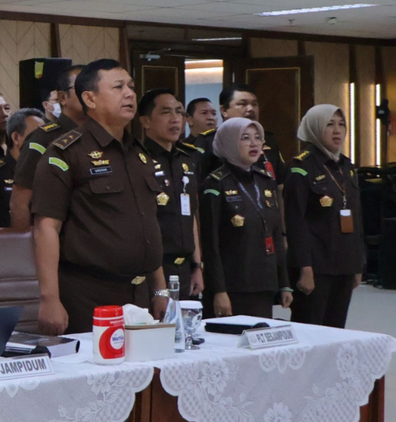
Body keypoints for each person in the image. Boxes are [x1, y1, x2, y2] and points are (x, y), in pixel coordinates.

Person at [31, 60, 165, 334]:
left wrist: (159, 289)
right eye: (118, 87)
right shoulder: (67, 152)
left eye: (131, 87)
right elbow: (46, 228)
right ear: (90, 99)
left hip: (140, 295)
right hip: (89, 294)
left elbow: (148, 224)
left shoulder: (139, 153)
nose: (129, 94)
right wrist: (50, 298)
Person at [201, 118, 291, 319]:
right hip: (233, 284)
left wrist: (284, 283)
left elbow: (276, 234)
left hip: (264, 282)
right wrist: (219, 290)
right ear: (229, 142)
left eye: (258, 138)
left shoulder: (265, 181)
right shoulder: (215, 184)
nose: (254, 144)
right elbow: (210, 244)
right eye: (245, 138)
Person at [286, 104, 361, 328]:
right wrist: (304, 267)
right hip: (316, 265)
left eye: (341, 124)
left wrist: (358, 264)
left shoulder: (347, 167)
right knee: (310, 329)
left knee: (336, 330)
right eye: (329, 124)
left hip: (344, 263)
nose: (337, 131)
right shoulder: (301, 167)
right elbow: (296, 222)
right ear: (315, 128)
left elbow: (357, 218)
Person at [138, 90, 205, 298]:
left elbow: (191, 215)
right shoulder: (138, 160)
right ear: (146, 121)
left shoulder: (187, 160)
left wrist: (197, 265)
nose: (175, 119)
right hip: (152, 268)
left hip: (185, 268)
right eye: (166, 112)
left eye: (179, 112)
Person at [9, 64, 82, 233]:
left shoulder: (99, 136)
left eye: (95, 88)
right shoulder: (43, 138)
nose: (89, 93)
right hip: (56, 240)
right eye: (82, 87)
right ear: (63, 97)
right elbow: (19, 203)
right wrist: (26, 245)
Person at [0, 107, 45, 229]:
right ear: (16, 137)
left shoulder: (46, 171)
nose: (42, 141)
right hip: (4, 239)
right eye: (36, 136)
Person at [211, 86, 284, 179]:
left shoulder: (268, 139)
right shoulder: (210, 141)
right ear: (224, 110)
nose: (250, 109)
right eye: (243, 104)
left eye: (254, 104)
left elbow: (279, 181)